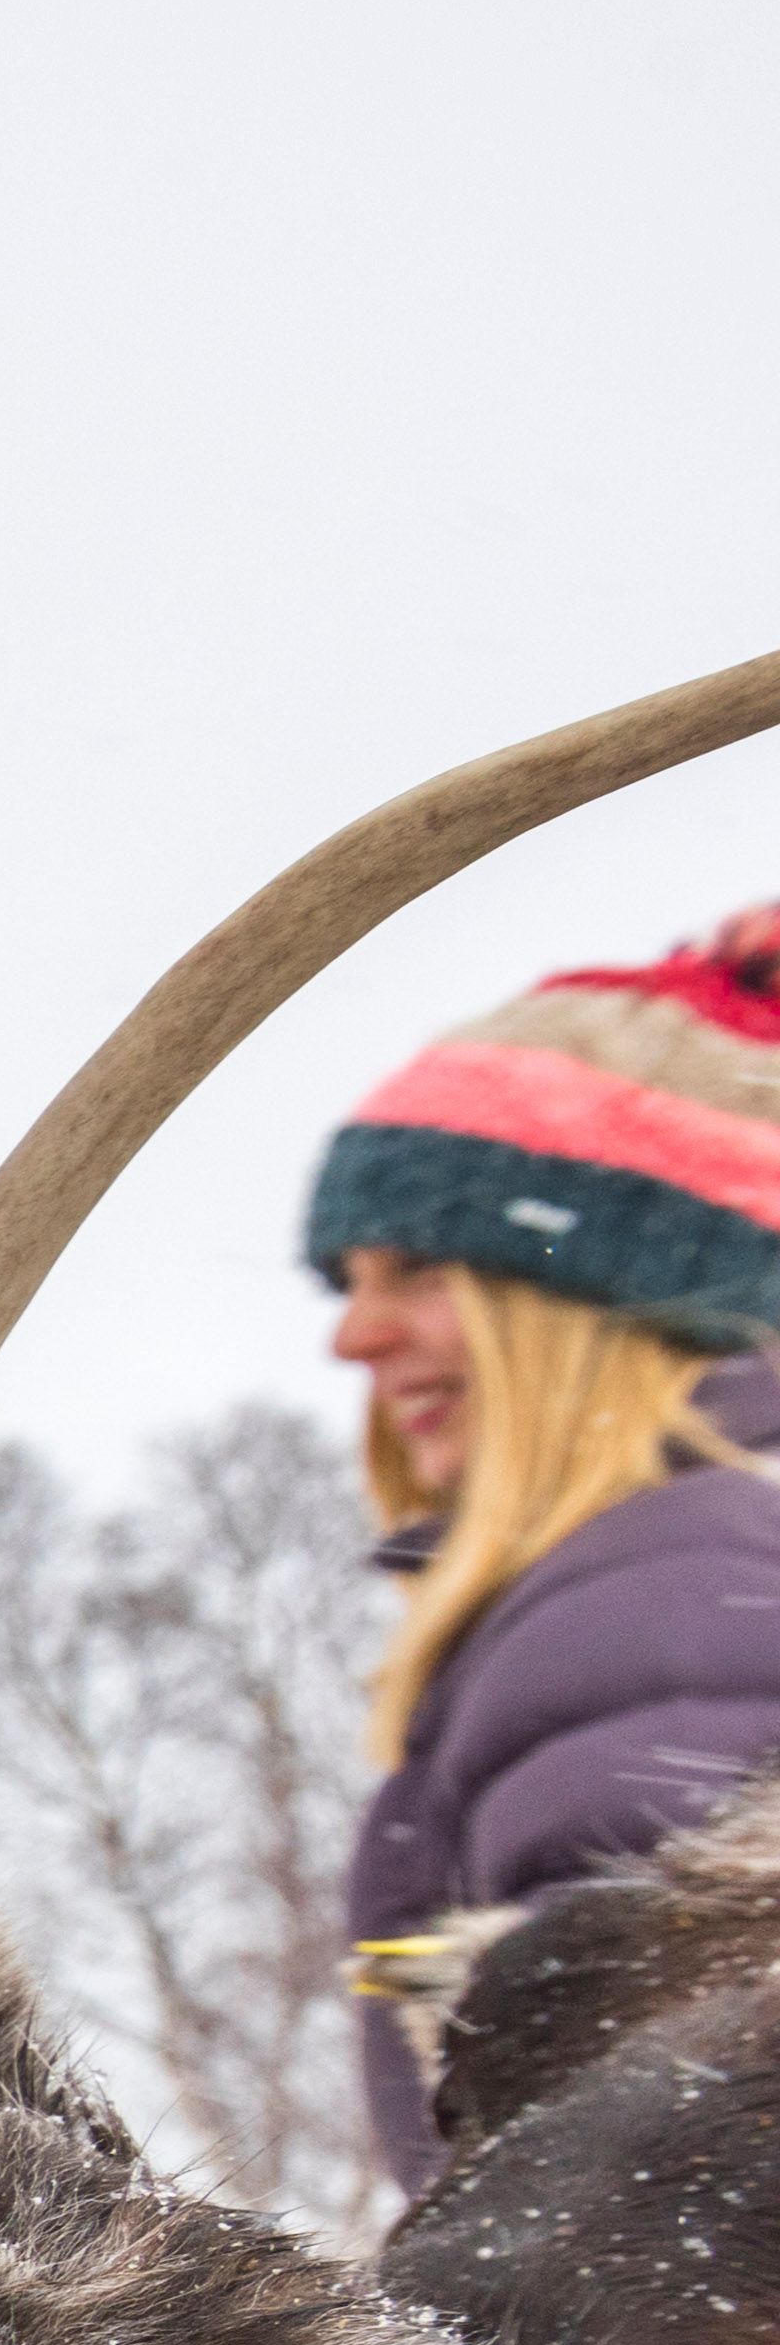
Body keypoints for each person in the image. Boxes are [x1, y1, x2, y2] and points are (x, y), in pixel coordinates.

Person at [316, 906, 780, 2185]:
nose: (352, 1338)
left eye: (415, 1271)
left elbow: (658, 2187)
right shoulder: (641, 1577)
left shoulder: (670, 1595)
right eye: (348, 1281)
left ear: (606, 1296)